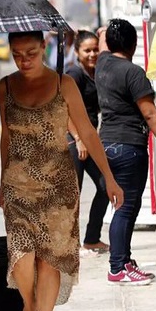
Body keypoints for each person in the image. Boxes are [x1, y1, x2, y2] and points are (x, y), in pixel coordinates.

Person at [0, 31, 123, 311]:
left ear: (44, 48)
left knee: (49, 260)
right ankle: (28, 307)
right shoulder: (5, 87)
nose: (24, 60)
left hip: (59, 187)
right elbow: (6, 139)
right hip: (19, 185)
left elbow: (87, 132)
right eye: (17, 54)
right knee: (21, 256)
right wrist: (1, 181)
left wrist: (108, 177)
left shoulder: (64, 84)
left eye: (31, 53)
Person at [96, 19, 156, 285]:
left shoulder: (102, 65)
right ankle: (118, 267)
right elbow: (150, 114)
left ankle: (124, 260)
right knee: (126, 208)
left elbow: (103, 43)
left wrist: (106, 33)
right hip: (129, 146)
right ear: (134, 43)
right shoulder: (133, 72)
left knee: (122, 206)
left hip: (105, 145)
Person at [65, 30, 110, 253]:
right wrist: (78, 139)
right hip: (73, 140)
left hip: (90, 139)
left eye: (96, 49)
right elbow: (62, 109)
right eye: (87, 50)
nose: (92, 54)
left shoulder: (96, 73)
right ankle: (66, 243)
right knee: (74, 193)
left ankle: (92, 238)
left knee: (105, 186)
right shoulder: (74, 74)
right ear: (77, 52)